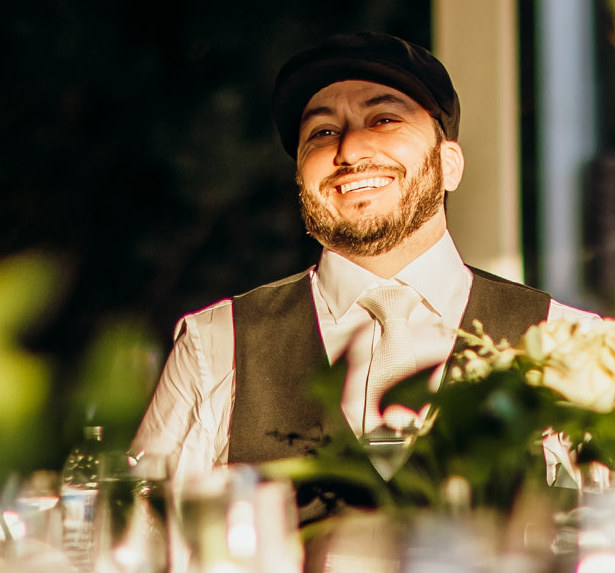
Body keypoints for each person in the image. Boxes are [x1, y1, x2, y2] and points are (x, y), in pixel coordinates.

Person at [134, 32, 585, 483]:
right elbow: (138, 538)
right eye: (323, 132)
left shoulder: (568, 341)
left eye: (385, 120)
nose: (349, 150)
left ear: (449, 164)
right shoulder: (216, 344)